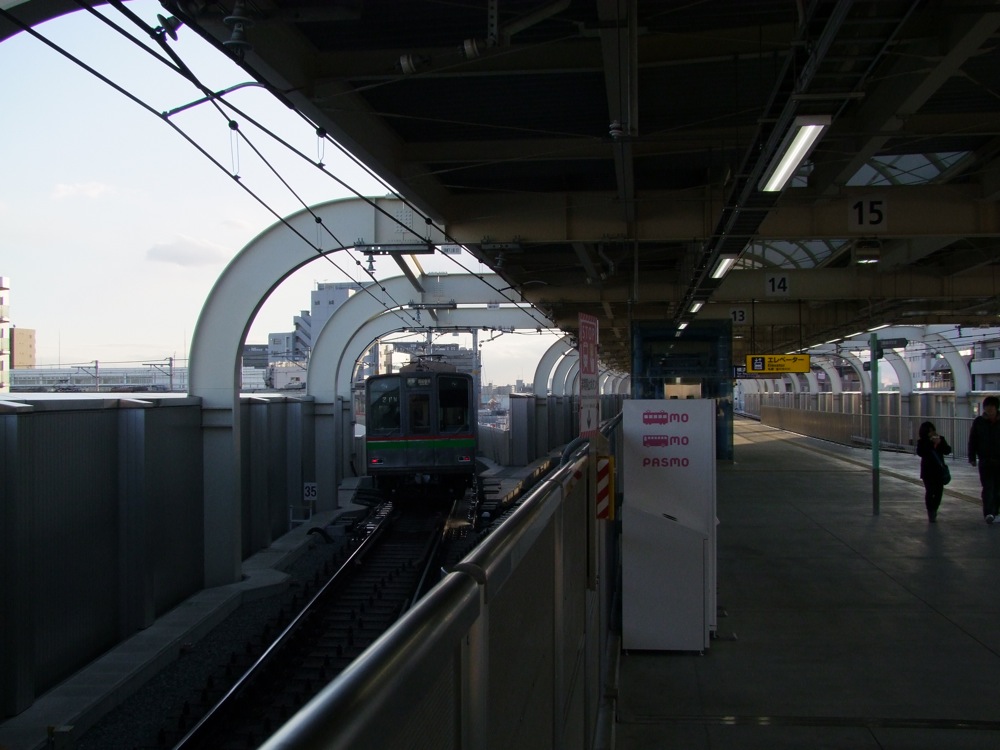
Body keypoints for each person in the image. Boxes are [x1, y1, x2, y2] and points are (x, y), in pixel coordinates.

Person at [968, 395, 1000, 524]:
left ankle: (995, 512)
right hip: (985, 460)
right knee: (987, 488)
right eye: (987, 407)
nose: (989, 410)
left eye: (991, 407)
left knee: (997, 489)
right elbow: (973, 440)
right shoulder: (979, 422)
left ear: (996, 408)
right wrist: (972, 457)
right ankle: (988, 513)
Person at [916, 421, 951, 522]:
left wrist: (939, 443)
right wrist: (931, 443)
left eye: (933, 430)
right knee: (930, 491)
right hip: (927, 471)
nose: (932, 433)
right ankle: (930, 511)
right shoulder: (922, 442)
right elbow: (920, 452)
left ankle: (934, 508)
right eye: (929, 431)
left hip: (939, 471)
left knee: (939, 492)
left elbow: (948, 450)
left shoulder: (940, 439)